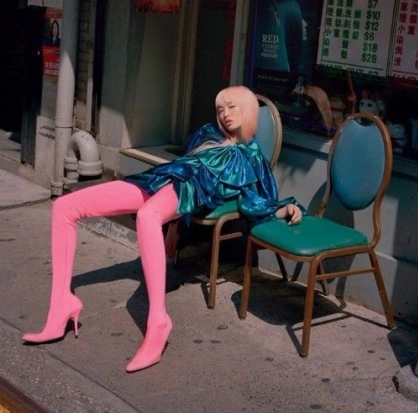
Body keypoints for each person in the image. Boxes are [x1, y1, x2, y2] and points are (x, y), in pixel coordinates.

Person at [22, 86, 305, 373]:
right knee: (65, 207)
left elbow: (258, 200)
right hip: (159, 179)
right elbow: (181, 164)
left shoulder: (250, 156)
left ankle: (158, 321)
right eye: (221, 109)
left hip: (188, 189)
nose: (225, 114)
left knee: (147, 217)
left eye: (232, 107)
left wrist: (284, 210)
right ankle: (61, 304)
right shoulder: (207, 134)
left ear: (248, 110)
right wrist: (173, 229)